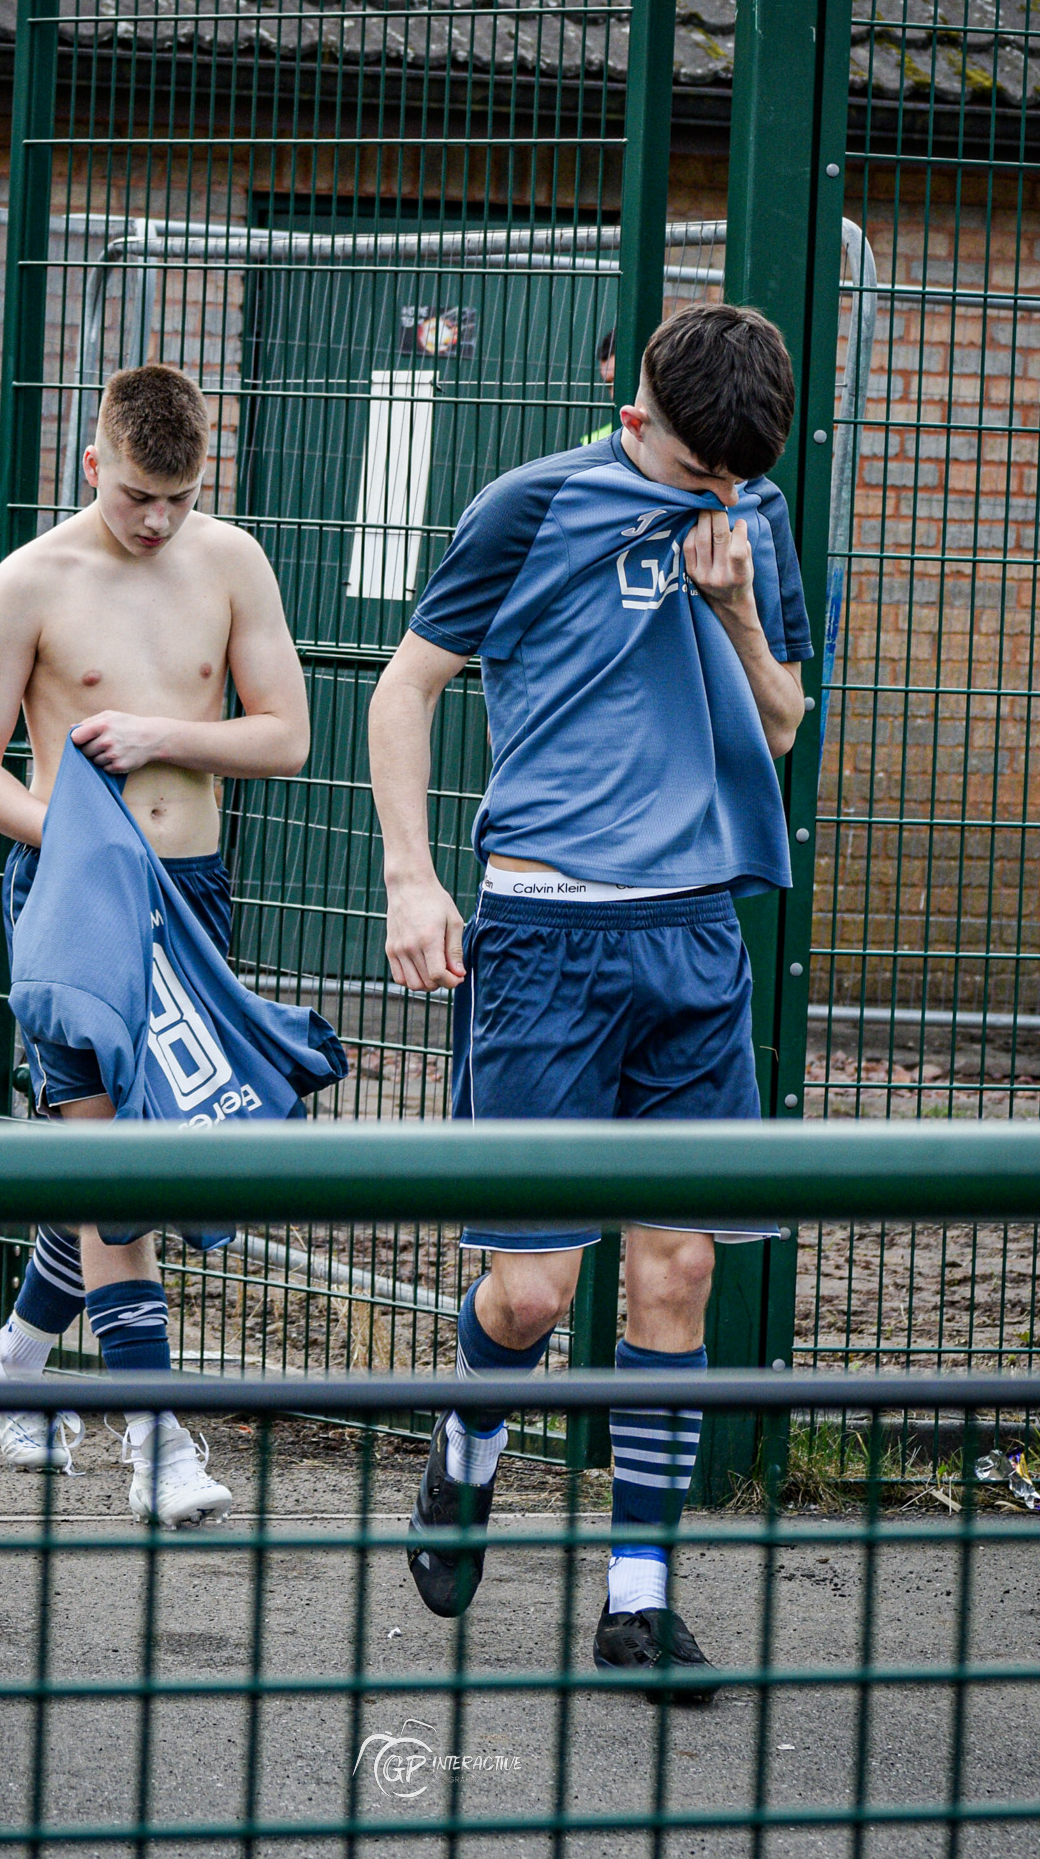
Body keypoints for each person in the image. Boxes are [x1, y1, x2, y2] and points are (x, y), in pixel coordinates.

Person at [368, 302, 811, 1699]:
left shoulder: (758, 512)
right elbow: (406, 689)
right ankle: (469, 1450)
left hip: (696, 941)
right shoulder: (532, 504)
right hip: (546, 936)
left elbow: (786, 721)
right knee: (530, 1290)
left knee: (680, 1271)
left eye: (740, 482)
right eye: (699, 480)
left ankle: (638, 1598)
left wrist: (737, 602)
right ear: (638, 418)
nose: (723, 502)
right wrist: (412, 880)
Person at [0, 362, 312, 1524]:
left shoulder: (231, 561)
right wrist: (75, 841)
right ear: (94, 462)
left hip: (193, 895)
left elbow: (289, 736)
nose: (155, 520)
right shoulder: (30, 579)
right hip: (73, 901)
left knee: (142, 1157)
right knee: (119, 1174)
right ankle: (157, 1443)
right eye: (137, 495)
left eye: (178, 497)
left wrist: (162, 730)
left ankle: (13, 1359)